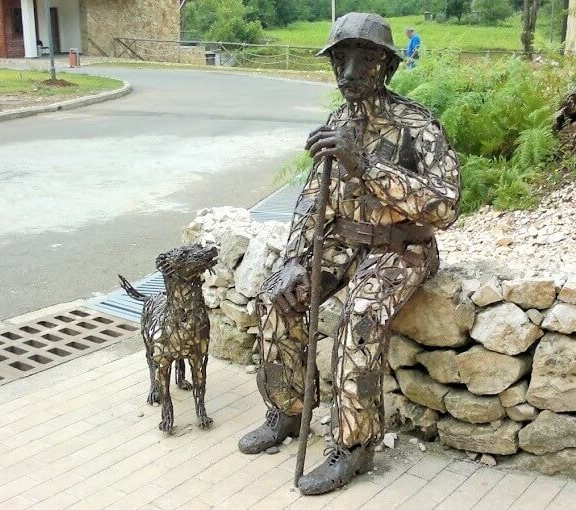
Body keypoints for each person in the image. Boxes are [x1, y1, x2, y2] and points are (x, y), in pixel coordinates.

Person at [238, 12, 461, 495]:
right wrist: (295, 258)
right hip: (342, 242)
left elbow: (445, 207)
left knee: (358, 320)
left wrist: (365, 165)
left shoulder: (418, 125)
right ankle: (288, 409)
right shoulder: (337, 122)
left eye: (364, 60)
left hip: (402, 247)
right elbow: (312, 199)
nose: (349, 72)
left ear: (387, 66)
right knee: (277, 299)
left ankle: (353, 445)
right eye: (340, 60)